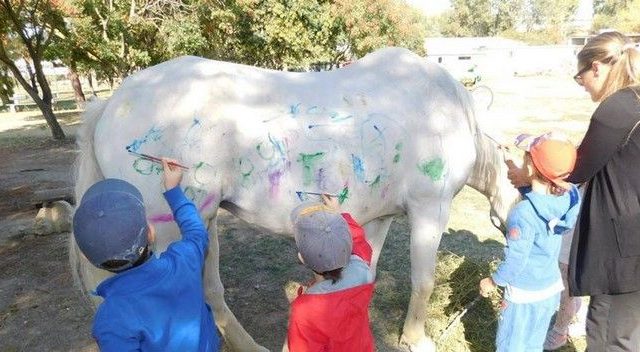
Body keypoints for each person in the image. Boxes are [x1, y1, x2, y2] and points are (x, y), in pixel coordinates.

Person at [508, 31, 640, 351]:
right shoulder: (635, 100)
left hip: (622, 249)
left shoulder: (617, 108)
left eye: (580, 76)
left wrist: (530, 173)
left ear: (597, 67)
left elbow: (575, 171)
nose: (581, 84)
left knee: (611, 336)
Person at [72, 158, 220, 351]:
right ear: (150, 233)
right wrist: (173, 190)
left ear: (85, 256)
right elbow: (196, 232)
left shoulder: (110, 319)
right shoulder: (183, 262)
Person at [479, 133, 581, 352]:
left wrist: (493, 281)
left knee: (511, 346)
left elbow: (515, 261)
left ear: (531, 168)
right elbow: (540, 196)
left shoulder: (522, 214)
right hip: (548, 290)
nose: (523, 160)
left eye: (526, 158)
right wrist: (509, 161)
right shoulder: (569, 197)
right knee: (533, 344)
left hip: (523, 295)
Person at [286, 194, 374, 352]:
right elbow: (359, 240)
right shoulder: (363, 272)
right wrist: (338, 214)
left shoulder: (304, 311)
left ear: (302, 258)